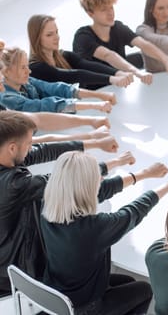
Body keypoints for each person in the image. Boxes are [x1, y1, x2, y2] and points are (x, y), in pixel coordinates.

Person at [41, 151, 168, 314]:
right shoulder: (93, 229)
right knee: (145, 289)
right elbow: (134, 211)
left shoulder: (48, 206)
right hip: (83, 307)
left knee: (128, 281)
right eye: (97, 178)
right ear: (86, 187)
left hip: (55, 294)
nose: (102, 179)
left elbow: (103, 190)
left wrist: (144, 174)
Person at [0, 110, 120, 295]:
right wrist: (111, 165)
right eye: (29, 144)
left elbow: (45, 151)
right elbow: (65, 179)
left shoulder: (8, 158)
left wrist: (95, 143)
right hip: (14, 269)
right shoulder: (13, 184)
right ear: (12, 148)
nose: (31, 148)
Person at [73, 0, 168, 85]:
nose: (110, 13)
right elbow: (108, 55)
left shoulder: (118, 27)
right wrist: (137, 73)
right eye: (104, 9)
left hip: (120, 87)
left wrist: (167, 60)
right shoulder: (82, 36)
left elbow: (143, 44)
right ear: (90, 13)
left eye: (111, 8)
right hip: (95, 93)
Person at [27, 14, 133, 90]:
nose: (57, 37)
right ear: (36, 39)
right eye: (49, 35)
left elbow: (87, 65)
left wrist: (118, 73)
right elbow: (75, 75)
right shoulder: (35, 68)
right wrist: (112, 79)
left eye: (56, 32)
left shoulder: (63, 56)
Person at [1, 47, 114, 113]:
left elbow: (53, 88)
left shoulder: (26, 82)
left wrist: (100, 96)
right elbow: (42, 106)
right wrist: (95, 105)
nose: (28, 71)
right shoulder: (6, 97)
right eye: (22, 67)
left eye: (27, 66)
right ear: (6, 72)